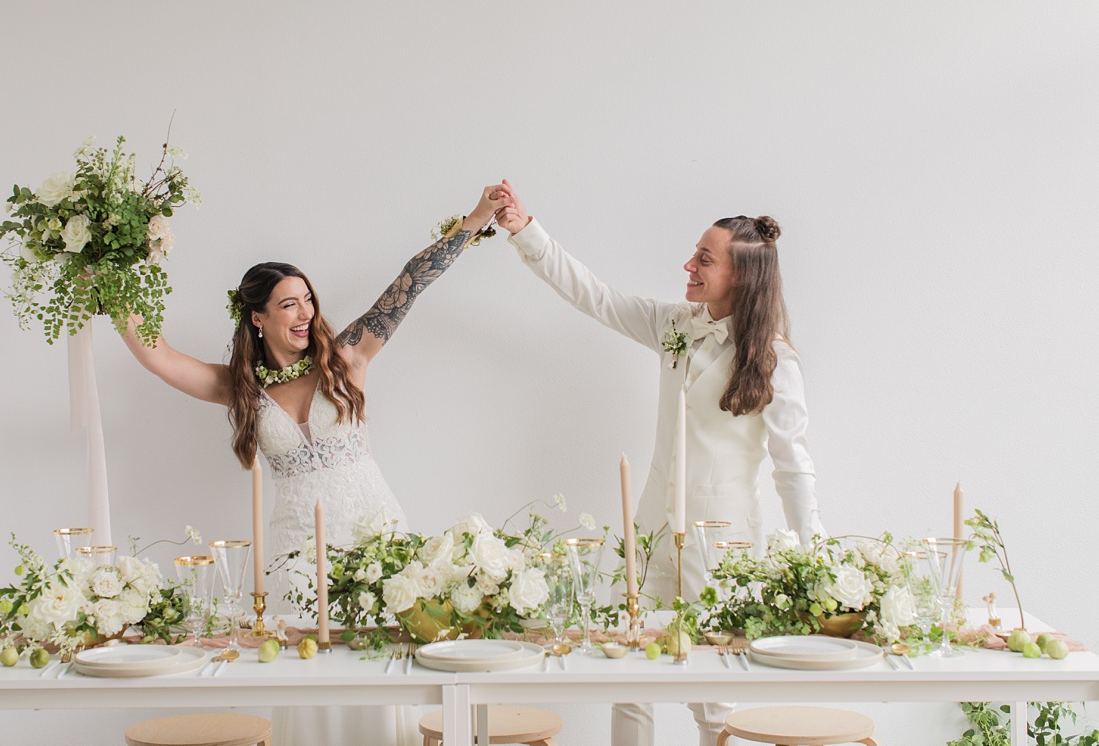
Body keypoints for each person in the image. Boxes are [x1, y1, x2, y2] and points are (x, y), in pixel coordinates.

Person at [120, 186, 508, 746]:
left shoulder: (347, 358)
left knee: (381, 671)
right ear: (257, 319)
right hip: (297, 552)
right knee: (309, 674)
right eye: (288, 304)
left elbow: (410, 283)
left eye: (308, 300)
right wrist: (108, 277)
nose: (305, 314)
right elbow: (158, 356)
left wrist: (473, 221)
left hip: (376, 537)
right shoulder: (242, 389)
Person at [492, 180, 824, 746]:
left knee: (714, 690)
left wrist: (814, 556)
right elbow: (595, 296)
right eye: (695, 253)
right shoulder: (676, 324)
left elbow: (791, 465)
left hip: (721, 542)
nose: (688, 264)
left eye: (704, 258)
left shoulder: (775, 359)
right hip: (650, 527)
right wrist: (527, 233)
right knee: (628, 671)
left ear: (740, 276)